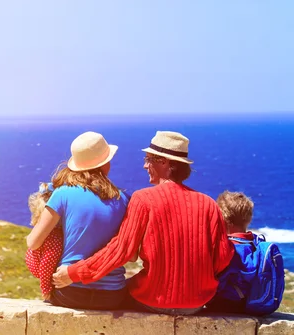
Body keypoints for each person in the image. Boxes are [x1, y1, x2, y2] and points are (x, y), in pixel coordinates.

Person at [52, 131, 234, 316]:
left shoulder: (143, 199)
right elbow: (222, 257)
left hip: (154, 300)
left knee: (119, 292)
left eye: (149, 159)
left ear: (164, 162)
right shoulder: (208, 204)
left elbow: (121, 251)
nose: (145, 165)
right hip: (196, 303)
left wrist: (74, 272)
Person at [27, 131, 130, 310]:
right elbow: (131, 252)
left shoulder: (62, 194)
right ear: (105, 164)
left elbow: (34, 243)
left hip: (70, 291)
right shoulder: (123, 199)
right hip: (112, 295)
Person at [208, 191, 285, 315]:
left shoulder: (227, 247)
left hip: (226, 304)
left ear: (222, 218)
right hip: (257, 305)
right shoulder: (256, 245)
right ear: (249, 219)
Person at [25, 182, 63, 301]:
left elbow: (47, 264)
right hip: (46, 272)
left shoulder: (49, 236)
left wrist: (46, 289)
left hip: (41, 268)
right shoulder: (54, 237)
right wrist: (46, 290)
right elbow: (47, 264)